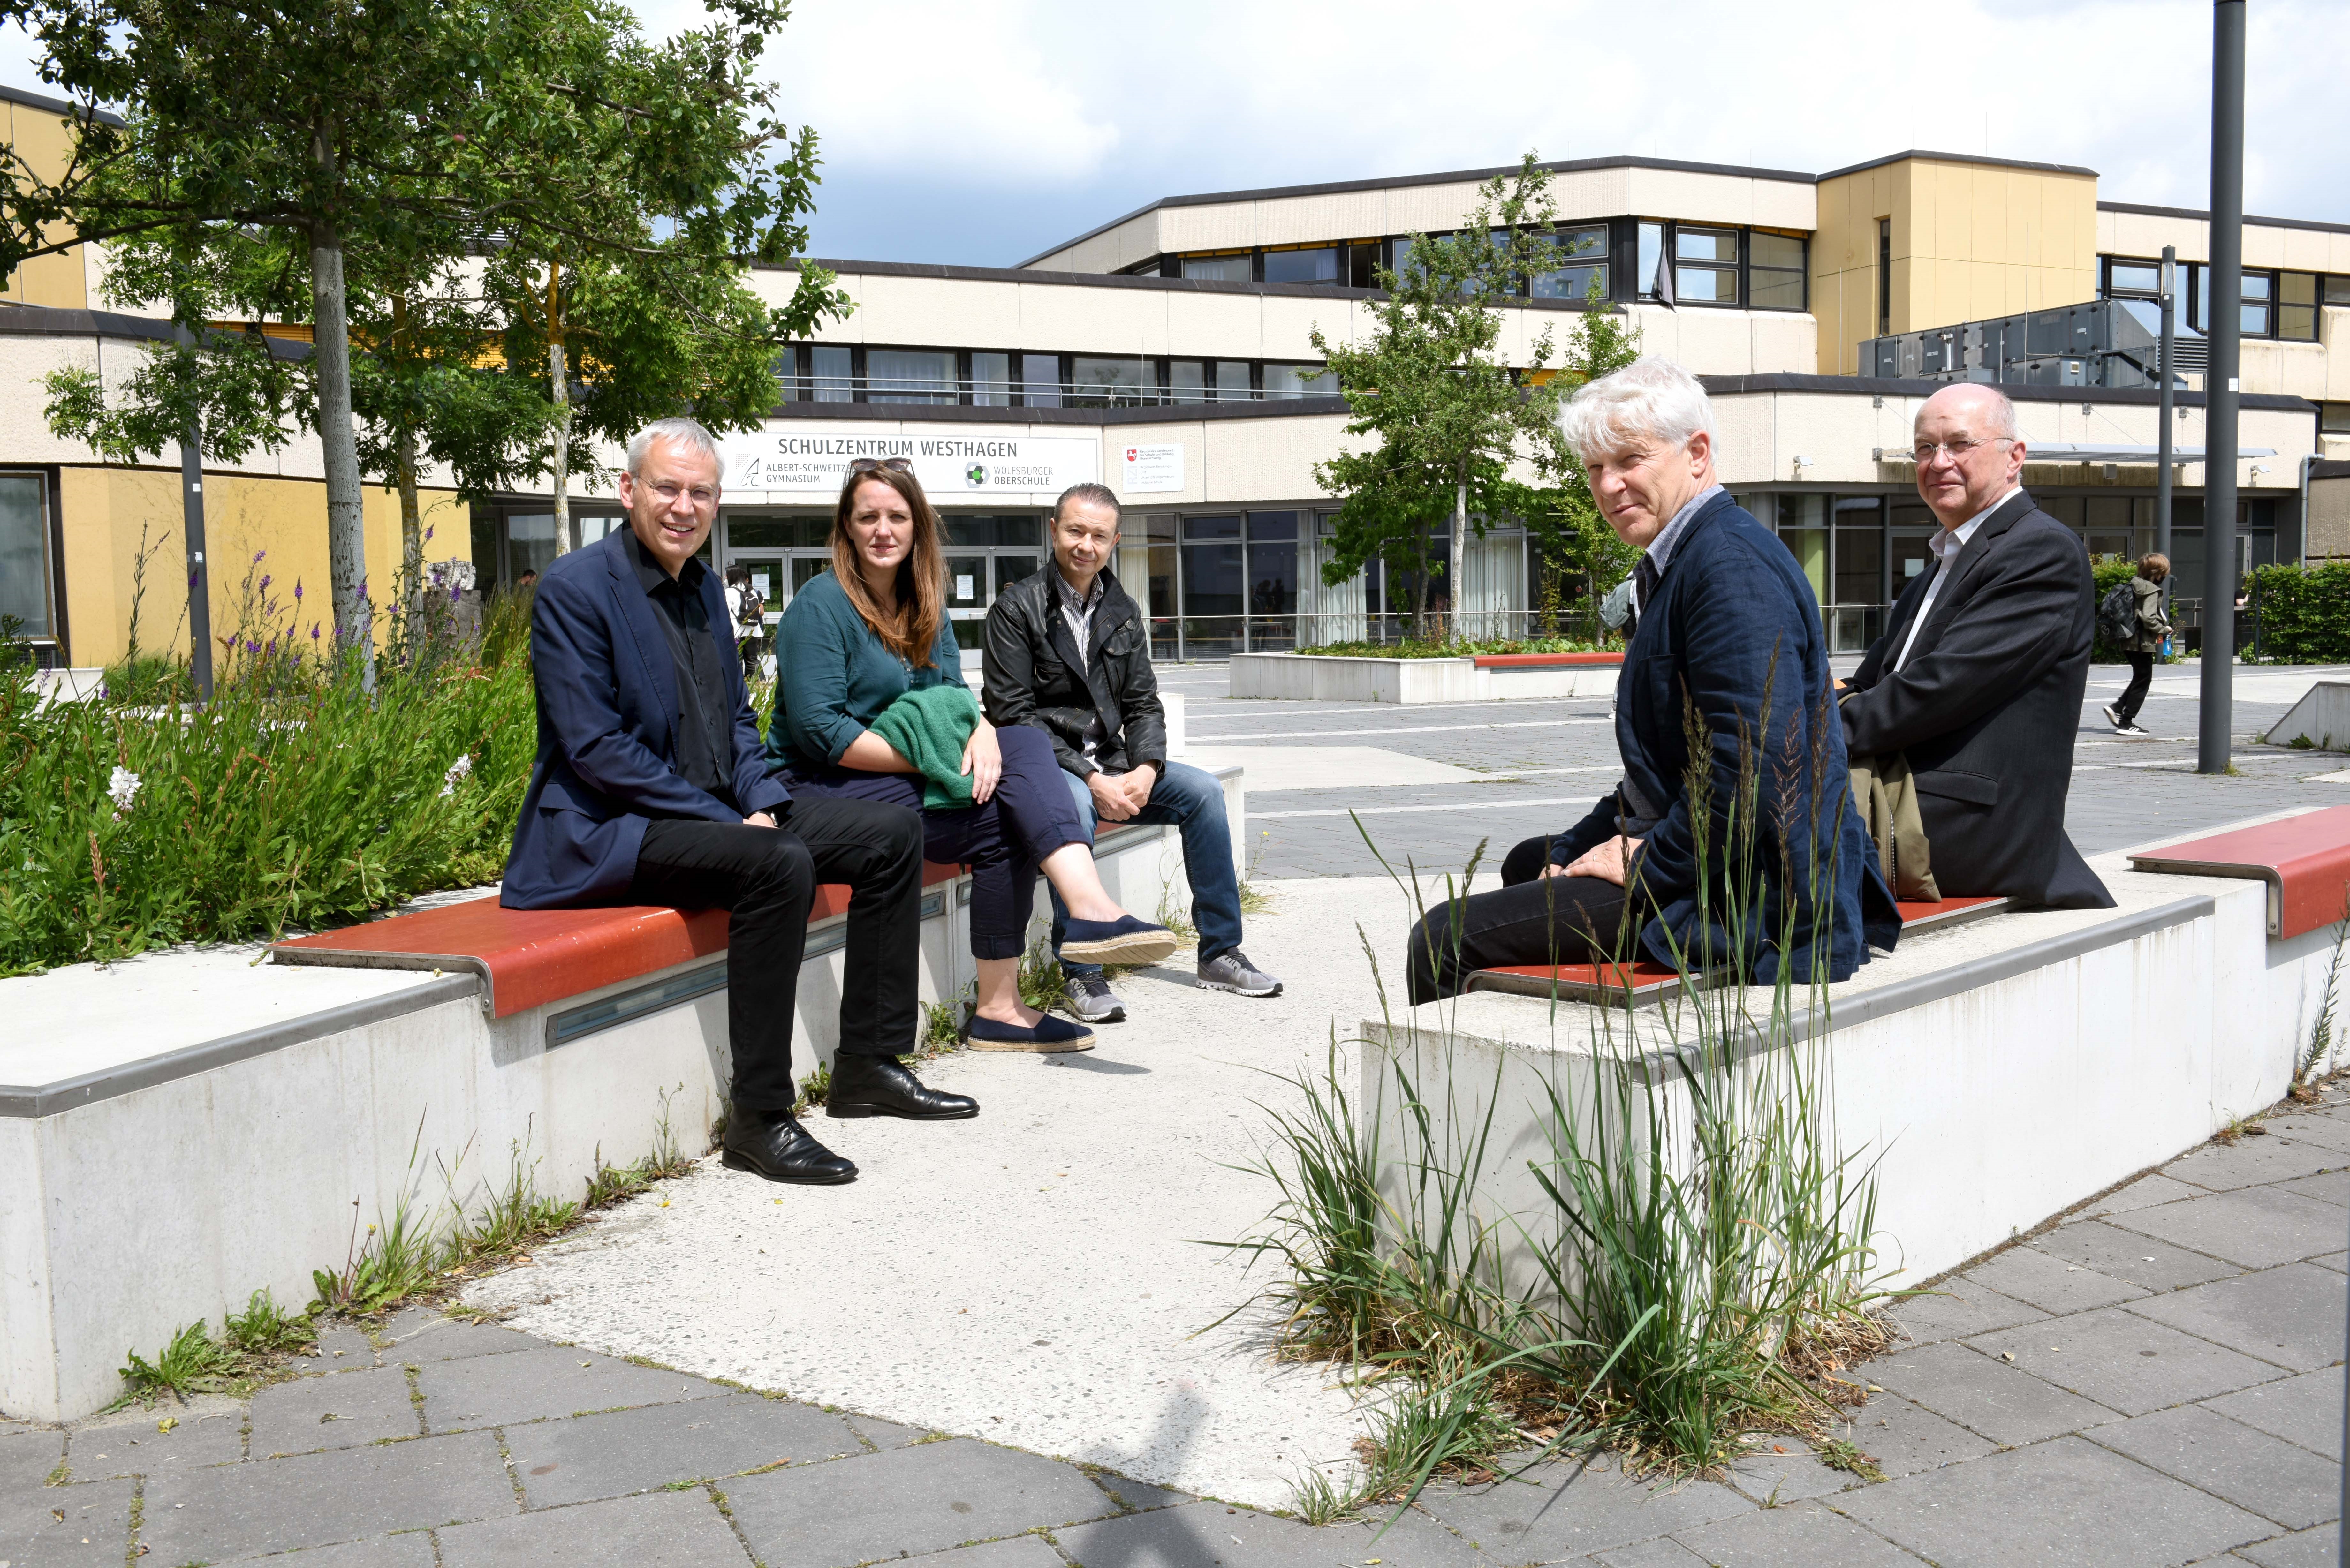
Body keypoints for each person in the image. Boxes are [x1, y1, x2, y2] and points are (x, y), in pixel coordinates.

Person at [503, 418, 967, 1190]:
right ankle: (760, 1116)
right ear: (628, 491)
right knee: (776, 861)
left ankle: (869, 1065)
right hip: (609, 828)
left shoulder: (705, 591)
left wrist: (760, 796)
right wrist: (728, 819)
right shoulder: (575, 589)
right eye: (667, 487)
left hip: (712, 813)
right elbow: (595, 749)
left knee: (888, 832)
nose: (685, 505)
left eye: (702, 493)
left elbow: (739, 726)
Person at [1405, 358, 1893, 1003]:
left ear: (1695, 454)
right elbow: (1671, 766)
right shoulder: (1686, 556)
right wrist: (1585, 844)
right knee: (1535, 857)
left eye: (1628, 460)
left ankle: (1455, 1108)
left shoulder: (1728, 570)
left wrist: (1641, 860)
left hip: (1751, 893)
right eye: (1593, 468)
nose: (1608, 486)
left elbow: (1749, 774)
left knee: (1442, 937)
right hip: (1710, 854)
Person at [766, 458, 1179, 1050]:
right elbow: (821, 734)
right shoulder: (820, 605)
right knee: (1014, 778)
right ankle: (1088, 907)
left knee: (1018, 758)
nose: (884, 530)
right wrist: (933, 758)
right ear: (848, 527)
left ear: (917, 527)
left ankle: (1000, 1007)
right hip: (819, 784)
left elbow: (954, 693)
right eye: (869, 517)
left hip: (892, 775)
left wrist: (982, 729)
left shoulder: (922, 600)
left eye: (898, 517)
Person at [982, 482, 1280, 1023]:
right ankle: (1081, 969)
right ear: (1053, 531)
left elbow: (1144, 702)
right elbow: (1013, 715)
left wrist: (1146, 767)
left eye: (1098, 535)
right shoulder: (1016, 607)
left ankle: (1218, 951)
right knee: (1071, 807)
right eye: (1074, 530)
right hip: (1047, 765)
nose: (1085, 545)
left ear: (1115, 540)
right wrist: (1090, 778)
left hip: (1115, 761)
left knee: (1205, 793)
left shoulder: (1121, 609)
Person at [1838, 383, 2113, 908]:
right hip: (1906, 800)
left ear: (2015, 457)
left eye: (1959, 444)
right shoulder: (1939, 568)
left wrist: (1800, 734)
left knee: (1750, 826)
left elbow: (1935, 691)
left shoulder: (2041, 550)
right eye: (1925, 448)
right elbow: (1871, 684)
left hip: (1963, 823)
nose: (1938, 461)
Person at [2104, 553, 2172, 737]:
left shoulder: (2132, 585)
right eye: (2164, 573)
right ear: (2157, 573)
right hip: (2142, 642)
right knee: (2144, 680)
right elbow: (2148, 617)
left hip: (2127, 639)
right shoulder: (2151, 590)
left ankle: (2117, 707)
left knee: (2140, 677)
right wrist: (2164, 629)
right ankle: (2126, 723)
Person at [724, 562, 767, 674]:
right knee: (753, 660)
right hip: (753, 630)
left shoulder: (729, 592)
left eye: (727, 575)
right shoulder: (752, 591)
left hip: (737, 632)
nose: (725, 578)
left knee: (736, 661)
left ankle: (739, 687)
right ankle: (758, 684)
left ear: (732, 577)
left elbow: (725, 613)